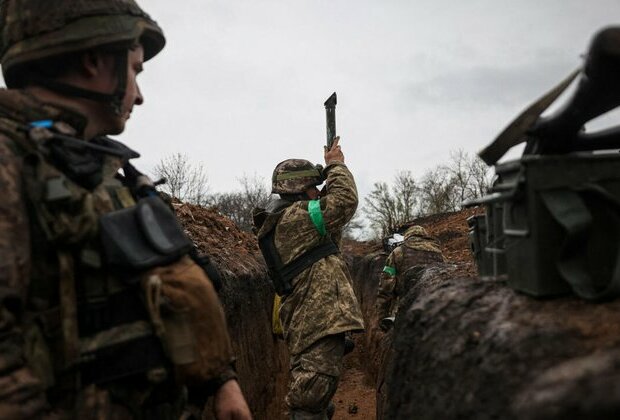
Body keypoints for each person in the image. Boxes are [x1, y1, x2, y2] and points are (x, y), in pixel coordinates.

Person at [0, 1, 252, 419]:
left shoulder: (102, 172)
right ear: (93, 59)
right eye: (134, 70)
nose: (139, 95)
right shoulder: (12, 164)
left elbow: (165, 287)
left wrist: (219, 381)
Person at [253, 138, 364, 419]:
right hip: (315, 322)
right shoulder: (296, 218)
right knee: (309, 397)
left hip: (313, 322)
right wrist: (335, 165)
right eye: (314, 187)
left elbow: (331, 230)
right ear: (299, 188)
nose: (318, 193)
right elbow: (344, 202)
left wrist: (326, 182)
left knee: (315, 398)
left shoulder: (294, 218)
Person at [376, 225, 446, 331]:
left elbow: (386, 286)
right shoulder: (439, 254)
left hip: (407, 310)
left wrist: (382, 317)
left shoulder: (398, 252)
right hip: (436, 309)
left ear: (407, 236)